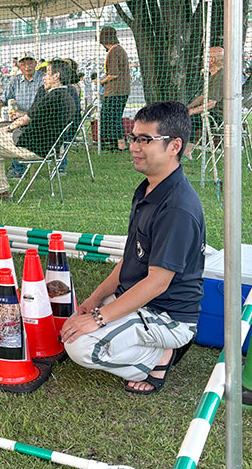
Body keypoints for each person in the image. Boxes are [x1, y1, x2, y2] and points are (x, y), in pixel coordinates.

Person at [63, 102, 204, 394]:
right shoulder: (148, 188)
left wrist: (99, 317)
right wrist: (94, 300)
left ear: (174, 146)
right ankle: (141, 340)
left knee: (79, 345)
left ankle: (161, 356)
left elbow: (157, 283)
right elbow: (131, 258)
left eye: (145, 140)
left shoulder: (177, 207)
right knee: (72, 323)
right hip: (140, 300)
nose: (134, 147)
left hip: (169, 315)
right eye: (133, 138)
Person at [0, 59, 76, 200]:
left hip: (36, 148)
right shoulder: (67, 96)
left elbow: (27, 118)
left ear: (56, 76)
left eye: (48, 73)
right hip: (51, 147)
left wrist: (8, 128)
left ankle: (0, 190)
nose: (44, 76)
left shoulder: (52, 97)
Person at [0, 56, 44, 178]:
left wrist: (25, 114)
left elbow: (46, 105)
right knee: (4, 132)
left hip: (39, 119)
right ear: (19, 66)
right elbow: (4, 99)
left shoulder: (43, 79)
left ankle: (18, 169)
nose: (27, 66)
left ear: (35, 64)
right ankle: (17, 166)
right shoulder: (15, 80)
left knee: (14, 132)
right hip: (19, 118)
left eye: (30, 63)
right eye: (23, 64)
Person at [185, 46, 224, 159]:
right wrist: (187, 107)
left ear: (212, 60)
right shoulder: (215, 75)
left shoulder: (221, 76)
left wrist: (190, 112)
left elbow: (211, 103)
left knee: (188, 119)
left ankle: (187, 153)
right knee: (185, 116)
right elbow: (204, 96)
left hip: (219, 116)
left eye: (204, 57)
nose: (202, 60)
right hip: (213, 113)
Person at [99, 26, 131, 151]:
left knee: (111, 117)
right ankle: (116, 142)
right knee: (114, 117)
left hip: (115, 91)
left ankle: (119, 143)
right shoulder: (120, 50)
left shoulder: (113, 52)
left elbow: (113, 74)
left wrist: (102, 81)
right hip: (123, 90)